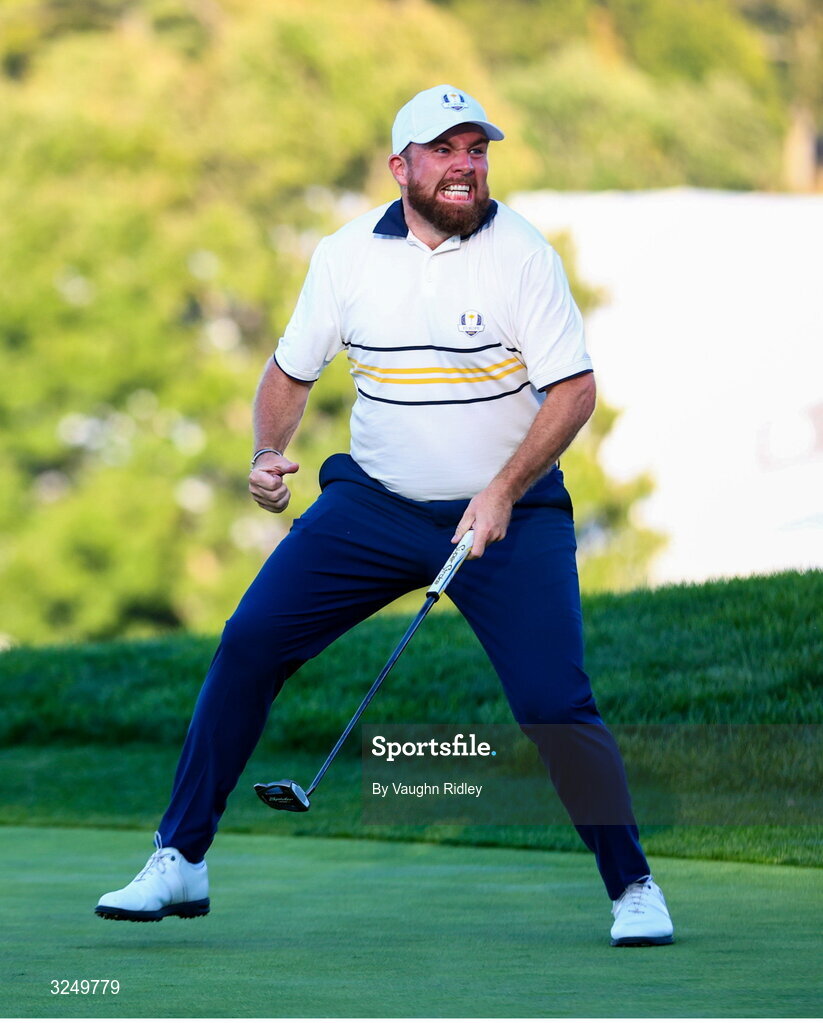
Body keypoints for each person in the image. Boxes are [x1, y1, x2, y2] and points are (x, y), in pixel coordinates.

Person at [95, 84, 674, 946]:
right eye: (444, 150)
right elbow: (292, 369)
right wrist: (265, 452)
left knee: (554, 698)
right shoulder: (344, 257)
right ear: (400, 166)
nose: (465, 165)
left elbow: (573, 390)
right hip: (373, 505)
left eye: (477, 149)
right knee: (249, 642)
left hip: (510, 512)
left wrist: (502, 488)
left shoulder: (520, 254)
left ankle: (631, 885)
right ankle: (179, 857)